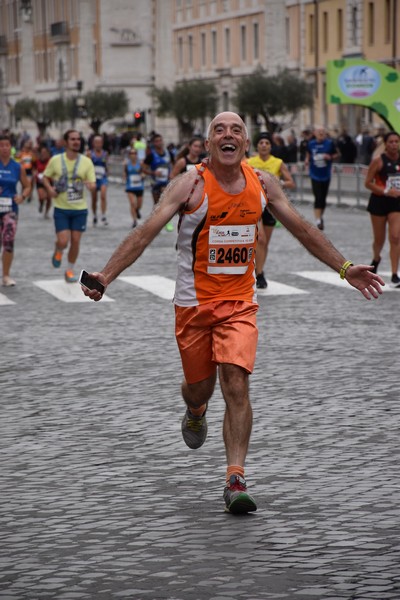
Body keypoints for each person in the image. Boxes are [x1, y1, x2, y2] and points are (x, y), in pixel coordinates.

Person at [81, 112, 384, 514]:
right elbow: (145, 233)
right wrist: (107, 274)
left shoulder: (262, 183)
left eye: (236, 130)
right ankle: (194, 409)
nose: (228, 135)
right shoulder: (189, 185)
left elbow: (303, 229)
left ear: (245, 143)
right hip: (194, 306)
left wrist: (345, 268)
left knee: (236, 383)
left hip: (240, 304)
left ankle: (235, 478)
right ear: (208, 144)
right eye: (219, 130)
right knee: (200, 388)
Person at [42, 129, 96, 283]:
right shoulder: (56, 160)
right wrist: (50, 189)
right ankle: (58, 249)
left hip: (80, 209)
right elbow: (45, 177)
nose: (76, 141)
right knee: (63, 240)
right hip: (61, 208)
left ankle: (69, 270)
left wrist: (90, 186)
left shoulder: (86, 162)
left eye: (78, 139)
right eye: (72, 139)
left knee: (76, 241)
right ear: (66, 142)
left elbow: (92, 184)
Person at [247, 132, 295, 288]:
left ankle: (259, 270)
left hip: (270, 205)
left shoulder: (278, 163)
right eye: (261, 142)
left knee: (264, 242)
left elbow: (290, 182)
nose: (263, 145)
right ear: (257, 146)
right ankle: (258, 274)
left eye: (266, 143)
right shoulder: (249, 162)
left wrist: (277, 181)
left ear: (270, 146)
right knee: (259, 238)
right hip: (253, 204)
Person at [365, 131, 400, 288]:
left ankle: (394, 273)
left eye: (396, 141)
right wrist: (385, 191)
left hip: (396, 203)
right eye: (391, 142)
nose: (394, 144)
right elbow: (368, 182)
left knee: (395, 236)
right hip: (379, 202)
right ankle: (376, 257)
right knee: (379, 239)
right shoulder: (378, 161)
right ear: (385, 144)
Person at [0, 133, 31, 286]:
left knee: (8, 241)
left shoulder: (17, 167)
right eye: (1, 145)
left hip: (10, 210)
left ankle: (6, 275)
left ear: (11, 147)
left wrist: (23, 196)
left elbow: (27, 186)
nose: (4, 148)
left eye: (7, 145)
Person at [305, 126, 339, 230]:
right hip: (314, 174)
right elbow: (308, 154)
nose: (321, 133)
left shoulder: (330, 143)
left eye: (323, 132)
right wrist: (307, 161)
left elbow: (337, 154)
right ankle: (318, 220)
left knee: (323, 199)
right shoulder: (311, 144)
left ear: (325, 133)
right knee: (318, 197)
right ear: (314, 133)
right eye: (318, 132)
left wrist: (330, 157)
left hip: (326, 174)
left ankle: (320, 216)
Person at [142, 133, 173, 231]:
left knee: (166, 201)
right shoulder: (151, 155)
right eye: (157, 141)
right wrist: (153, 172)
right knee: (157, 204)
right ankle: (155, 223)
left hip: (166, 182)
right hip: (155, 182)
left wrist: (172, 173)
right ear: (153, 143)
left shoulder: (169, 153)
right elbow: (143, 168)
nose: (159, 143)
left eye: (160, 140)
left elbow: (175, 164)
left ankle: (168, 222)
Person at [88, 135, 109, 226]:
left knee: (103, 196)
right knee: (94, 198)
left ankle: (103, 215)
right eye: (96, 143)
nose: (98, 145)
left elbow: (106, 165)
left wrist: (107, 172)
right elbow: (87, 167)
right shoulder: (89, 153)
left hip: (103, 177)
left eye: (100, 143)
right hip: (93, 178)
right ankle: (94, 215)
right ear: (93, 144)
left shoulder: (105, 153)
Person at [124, 148, 144, 228]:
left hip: (139, 187)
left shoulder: (141, 163)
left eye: (135, 153)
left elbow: (144, 172)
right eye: (131, 153)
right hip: (130, 187)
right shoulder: (126, 164)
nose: (133, 155)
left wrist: (143, 175)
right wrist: (124, 177)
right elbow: (125, 173)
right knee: (132, 203)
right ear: (129, 155)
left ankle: (137, 210)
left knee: (139, 205)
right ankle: (134, 221)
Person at [33, 145, 52, 219]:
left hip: (49, 181)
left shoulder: (51, 160)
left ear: (48, 153)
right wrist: (34, 173)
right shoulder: (37, 160)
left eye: (45, 152)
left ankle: (46, 212)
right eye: (42, 152)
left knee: (49, 199)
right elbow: (33, 168)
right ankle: (41, 203)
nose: (43, 154)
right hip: (40, 181)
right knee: (42, 196)